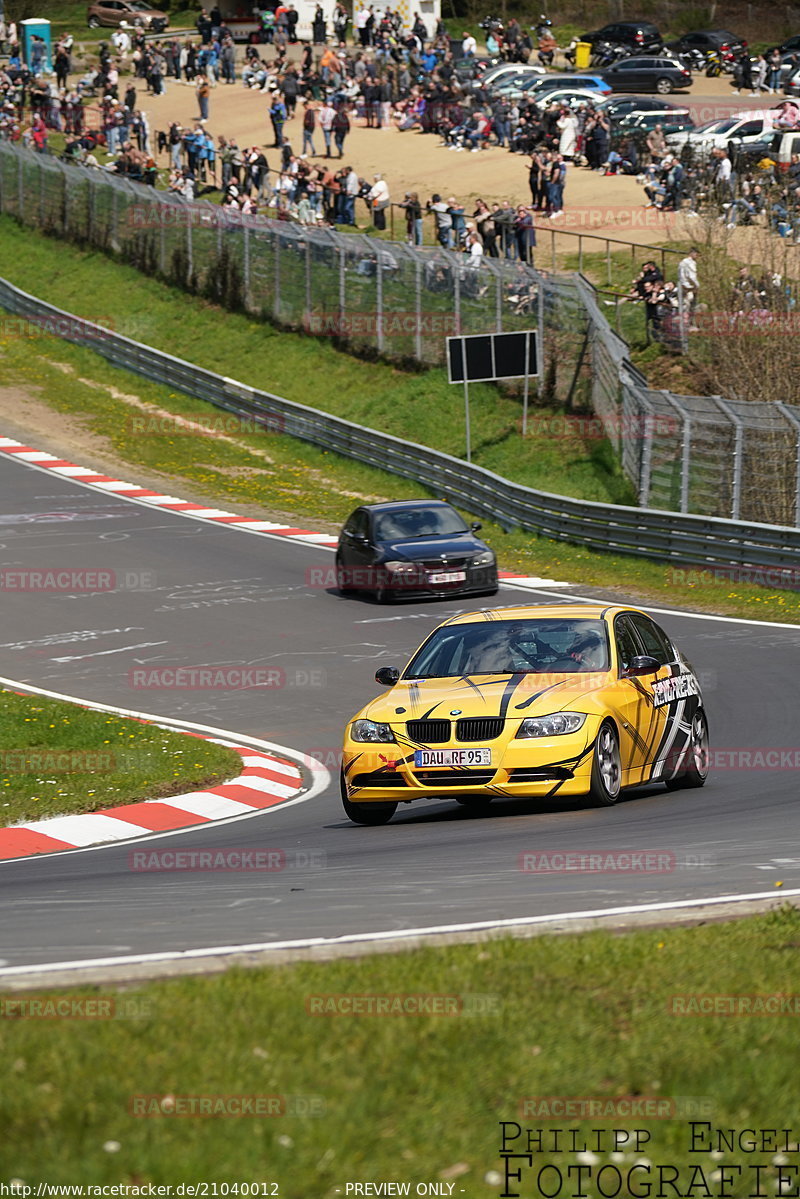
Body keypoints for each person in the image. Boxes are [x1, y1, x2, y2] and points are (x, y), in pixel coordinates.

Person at [678, 247, 700, 330]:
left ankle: (685, 324)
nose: (697, 256)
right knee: (691, 306)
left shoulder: (682, 262)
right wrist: (697, 285)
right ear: (692, 253)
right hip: (690, 287)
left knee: (685, 305)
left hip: (683, 286)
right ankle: (689, 325)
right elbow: (691, 276)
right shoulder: (690, 263)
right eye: (696, 254)